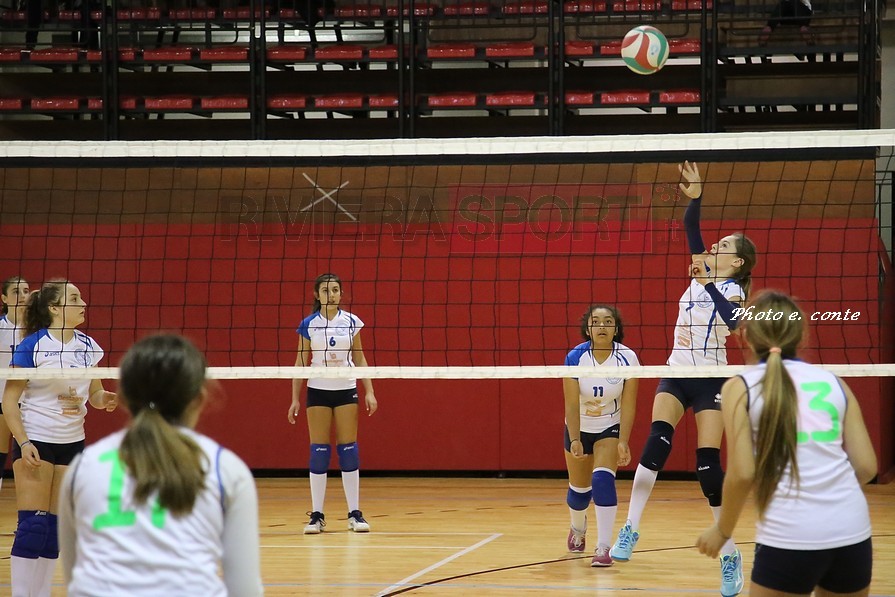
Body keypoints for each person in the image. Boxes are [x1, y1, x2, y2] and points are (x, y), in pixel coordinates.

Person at [611, 162, 756, 597]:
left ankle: (729, 554)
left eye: (724, 245)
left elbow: (735, 322)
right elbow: (692, 227)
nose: (714, 245)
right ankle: (630, 528)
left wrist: (708, 282)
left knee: (708, 468)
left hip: (711, 380)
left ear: (737, 261)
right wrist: (696, 196)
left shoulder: (734, 290)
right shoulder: (699, 267)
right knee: (656, 444)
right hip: (676, 372)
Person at [697, 290, 876, 596]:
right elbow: (867, 466)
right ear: (801, 334)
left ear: (746, 335)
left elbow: (742, 473)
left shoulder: (739, 387)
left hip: (790, 533)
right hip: (851, 531)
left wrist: (723, 529)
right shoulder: (834, 382)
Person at [59, 334, 264, 596]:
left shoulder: (82, 467)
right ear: (200, 398)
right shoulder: (225, 469)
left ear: (122, 398)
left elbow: (74, 577)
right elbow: (245, 589)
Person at [1, 279, 118, 597]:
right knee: (33, 525)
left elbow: (94, 393)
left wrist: (105, 399)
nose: (84, 303)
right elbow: (9, 401)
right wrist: (23, 442)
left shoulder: (88, 346)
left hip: (73, 442)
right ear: (54, 308)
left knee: (54, 529)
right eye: (75, 299)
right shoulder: (32, 345)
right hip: (37, 439)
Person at [288, 273, 378, 534]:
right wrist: (294, 398)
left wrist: (370, 391)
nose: (332, 295)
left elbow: (360, 358)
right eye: (326, 290)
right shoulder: (308, 324)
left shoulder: (351, 322)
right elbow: (300, 362)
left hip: (346, 389)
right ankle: (316, 515)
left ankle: (355, 513)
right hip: (318, 390)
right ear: (317, 295)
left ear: (341, 294)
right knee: (319, 451)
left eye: (336, 290)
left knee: (348, 450)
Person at [563, 304, 639, 567]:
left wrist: (623, 441)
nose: (602, 326)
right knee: (579, 493)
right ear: (588, 329)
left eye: (608, 321)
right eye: (596, 321)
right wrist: (574, 438)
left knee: (602, 481)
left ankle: (604, 547)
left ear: (616, 329)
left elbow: (629, 404)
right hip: (579, 426)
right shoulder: (575, 357)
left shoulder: (627, 357)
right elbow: (571, 404)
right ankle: (578, 528)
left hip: (609, 425)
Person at [0, 276, 31, 491]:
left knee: (27, 450)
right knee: (1, 450)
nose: (22, 296)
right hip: (2, 397)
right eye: (16, 292)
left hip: (31, 401)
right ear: (4, 298)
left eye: (26, 291)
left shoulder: (36, 329)